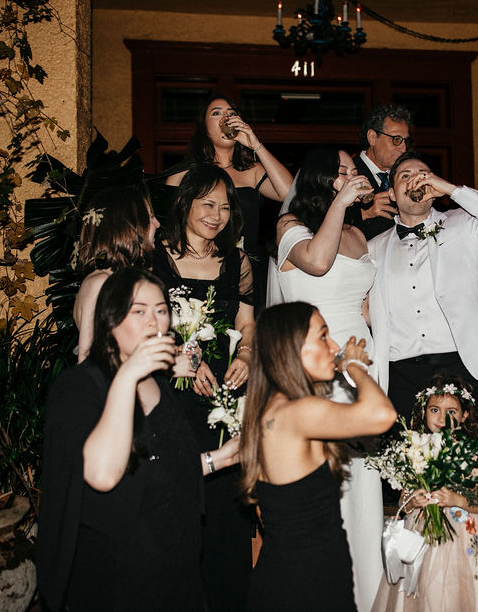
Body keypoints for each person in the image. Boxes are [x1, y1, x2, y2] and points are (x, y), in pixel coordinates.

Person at [37, 267, 241, 612]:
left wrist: (221, 458)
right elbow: (102, 475)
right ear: (110, 319)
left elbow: (160, 465)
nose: (154, 322)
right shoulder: (80, 388)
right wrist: (128, 373)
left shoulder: (158, 386)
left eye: (161, 310)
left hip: (176, 569)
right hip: (114, 577)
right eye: (139, 311)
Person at [271, 146, 384, 610]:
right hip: (316, 361)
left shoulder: (359, 234)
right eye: (343, 172)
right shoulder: (289, 227)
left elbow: (367, 301)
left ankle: (368, 590)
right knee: (324, 478)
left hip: (363, 362)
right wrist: (341, 202)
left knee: (362, 480)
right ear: (320, 180)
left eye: (354, 171)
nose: (353, 177)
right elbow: (317, 262)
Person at [241, 301, 397, 612]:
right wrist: (353, 367)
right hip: (305, 583)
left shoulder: (273, 409)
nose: (335, 346)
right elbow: (382, 414)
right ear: (292, 348)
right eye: (323, 336)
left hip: (300, 573)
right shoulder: (296, 412)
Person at [151, 163, 256, 611]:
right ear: (186, 202)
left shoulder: (237, 261)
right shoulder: (155, 256)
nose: (217, 214)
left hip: (223, 400)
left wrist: (247, 357)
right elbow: (139, 326)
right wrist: (182, 363)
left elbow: (248, 324)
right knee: (173, 506)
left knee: (224, 517)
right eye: (208, 203)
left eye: (226, 207)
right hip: (167, 395)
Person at [367, 152, 478, 427]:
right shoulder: (373, 248)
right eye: (405, 176)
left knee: (468, 462)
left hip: (463, 362)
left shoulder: (464, 224)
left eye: (423, 174)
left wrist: (450, 189)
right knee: (409, 462)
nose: (415, 180)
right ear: (391, 193)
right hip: (402, 371)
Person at [371, 376, 478, 612]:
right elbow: (404, 500)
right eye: (435, 410)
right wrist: (412, 501)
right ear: (424, 412)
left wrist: (455, 499)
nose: (442, 418)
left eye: (452, 411)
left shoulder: (470, 452)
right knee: (425, 590)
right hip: (422, 532)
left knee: (460, 589)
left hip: (462, 535)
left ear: (464, 415)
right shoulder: (415, 448)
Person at [166, 94, 293, 306]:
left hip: (249, 271)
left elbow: (289, 192)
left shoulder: (251, 171)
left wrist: (256, 145)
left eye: (231, 114)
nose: (226, 118)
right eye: (216, 113)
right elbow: (169, 224)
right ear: (204, 127)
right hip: (203, 270)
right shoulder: (186, 173)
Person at [73, 186, 161, 362]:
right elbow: (87, 362)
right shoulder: (100, 283)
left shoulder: (123, 279)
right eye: (150, 217)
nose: (157, 223)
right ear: (128, 226)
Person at [353, 104, 413, 240]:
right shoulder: (345, 174)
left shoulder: (407, 176)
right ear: (372, 137)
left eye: (406, 141)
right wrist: (364, 214)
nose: (403, 148)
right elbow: (317, 221)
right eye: (396, 140)